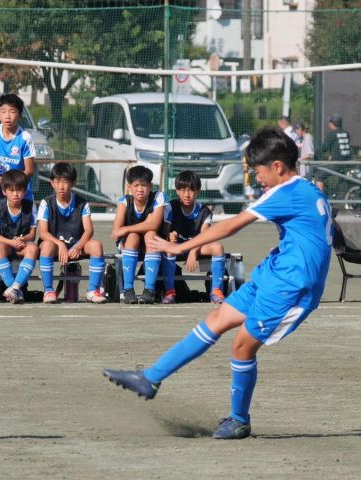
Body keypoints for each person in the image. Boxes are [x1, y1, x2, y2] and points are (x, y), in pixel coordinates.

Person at [102, 127, 332, 440]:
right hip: (274, 271)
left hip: (291, 286)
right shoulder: (307, 190)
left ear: (278, 167)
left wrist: (179, 248)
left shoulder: (286, 191)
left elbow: (232, 226)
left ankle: (239, 420)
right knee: (217, 318)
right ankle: (150, 379)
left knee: (242, 346)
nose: (256, 178)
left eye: (258, 171)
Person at [37, 162, 107, 304]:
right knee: (46, 246)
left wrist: (78, 246)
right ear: (52, 183)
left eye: (65, 182)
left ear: (73, 183)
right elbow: (43, 232)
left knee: (96, 246)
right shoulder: (46, 203)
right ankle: (49, 291)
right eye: (57, 182)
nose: (61, 186)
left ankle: (92, 290)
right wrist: (60, 244)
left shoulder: (82, 203)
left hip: (76, 246)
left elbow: (89, 230)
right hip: (56, 247)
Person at [161, 170, 226, 305]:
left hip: (197, 246)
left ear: (198, 191)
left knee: (218, 247)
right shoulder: (170, 207)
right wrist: (169, 236)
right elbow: (162, 232)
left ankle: (216, 291)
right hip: (177, 247)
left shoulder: (204, 211)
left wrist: (192, 251)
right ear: (177, 191)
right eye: (183, 190)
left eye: (191, 190)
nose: (186, 194)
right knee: (169, 249)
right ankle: (170, 291)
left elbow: (205, 236)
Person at [112, 165, 168, 305]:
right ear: (129, 187)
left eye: (144, 185)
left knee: (150, 234)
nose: (140, 189)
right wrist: (129, 230)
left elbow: (153, 225)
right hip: (129, 245)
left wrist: (127, 229)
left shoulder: (158, 198)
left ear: (151, 186)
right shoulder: (124, 202)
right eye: (136, 185)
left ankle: (149, 290)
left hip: (153, 244)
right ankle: (128, 289)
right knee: (133, 236)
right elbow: (117, 231)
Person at [0, 170, 38, 304]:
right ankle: (12, 287)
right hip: (3, 243)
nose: (15, 194)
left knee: (33, 248)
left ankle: (15, 287)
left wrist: (23, 239)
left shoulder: (31, 206)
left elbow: (32, 234)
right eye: (11, 190)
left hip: (20, 244)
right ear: (4, 191)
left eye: (19, 190)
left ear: (24, 191)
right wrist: (10, 242)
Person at [0, 93, 36, 209]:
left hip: (19, 194)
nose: (8, 116)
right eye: (3, 111)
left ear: (20, 115)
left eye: (12, 111)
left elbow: (29, 170)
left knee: (23, 226)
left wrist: (7, 180)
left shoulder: (25, 138)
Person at [317, 113, 351, 192]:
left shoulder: (332, 134)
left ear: (332, 123)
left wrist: (317, 153)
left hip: (337, 163)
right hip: (348, 162)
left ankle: (321, 198)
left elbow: (324, 148)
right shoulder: (346, 133)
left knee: (319, 176)